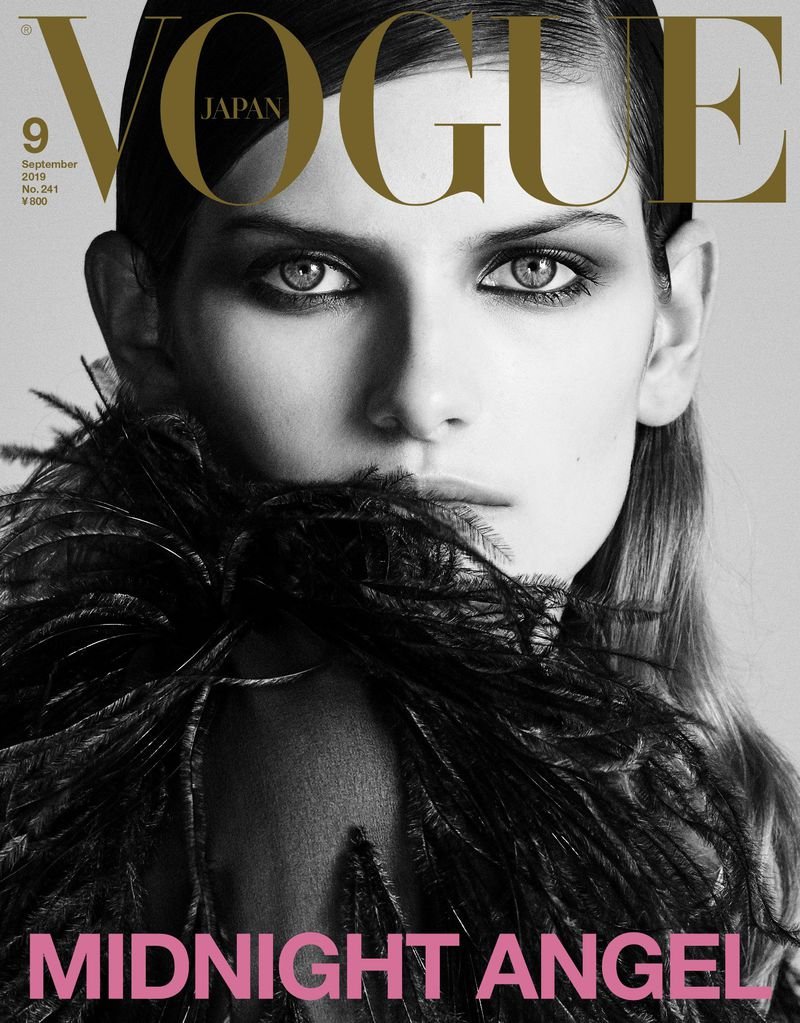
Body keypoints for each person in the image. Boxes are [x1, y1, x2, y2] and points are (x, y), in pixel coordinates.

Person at [1, 1, 798, 1021]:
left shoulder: (697, 807)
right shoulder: (322, 765)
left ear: (670, 327)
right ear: (144, 326)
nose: (422, 394)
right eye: (307, 275)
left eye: (534, 271)